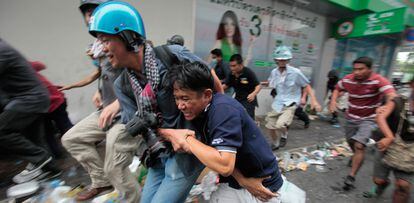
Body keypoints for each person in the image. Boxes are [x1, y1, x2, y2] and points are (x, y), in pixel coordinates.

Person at [87, 2, 223, 202]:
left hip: (188, 151)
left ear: (129, 37)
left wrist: (222, 133)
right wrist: (168, 133)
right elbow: (141, 126)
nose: (102, 49)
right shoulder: (122, 85)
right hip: (159, 153)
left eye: (106, 41)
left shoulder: (172, 55)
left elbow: (213, 85)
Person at [159, 62, 283, 202]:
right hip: (239, 182)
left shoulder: (223, 110)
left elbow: (225, 165)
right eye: (177, 98)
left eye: (185, 98)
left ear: (207, 94)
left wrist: (186, 139)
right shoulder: (198, 112)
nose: (180, 106)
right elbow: (217, 154)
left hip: (262, 187)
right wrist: (242, 180)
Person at [61, 0, 140, 201]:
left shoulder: (129, 41)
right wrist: (95, 91)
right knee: (71, 139)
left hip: (128, 110)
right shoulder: (97, 47)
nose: (89, 17)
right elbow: (103, 73)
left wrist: (119, 102)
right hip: (106, 109)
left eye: (93, 11)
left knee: (114, 165)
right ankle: (101, 181)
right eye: (87, 13)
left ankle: (133, 199)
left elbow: (142, 73)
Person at [329, 56, 397, 190]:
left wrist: (386, 107)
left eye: (361, 69)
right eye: (355, 69)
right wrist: (333, 101)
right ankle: (356, 156)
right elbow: (337, 88)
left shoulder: (378, 80)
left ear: (370, 69)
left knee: (360, 145)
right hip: (350, 118)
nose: (357, 72)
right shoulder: (348, 79)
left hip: (368, 119)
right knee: (353, 145)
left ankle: (351, 176)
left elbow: (392, 95)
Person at [0, 39, 61, 183]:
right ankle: (51, 171)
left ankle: (41, 159)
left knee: (1, 130)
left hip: (29, 99)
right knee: (35, 139)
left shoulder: (1, 50)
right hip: (32, 98)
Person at [363, 77, 413, 203]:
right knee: (378, 180)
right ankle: (383, 184)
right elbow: (380, 117)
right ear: (412, 84)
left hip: (411, 153)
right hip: (388, 146)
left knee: (403, 186)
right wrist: (389, 136)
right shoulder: (399, 101)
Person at [262, 46, 320, 150]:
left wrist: (313, 100)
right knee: (270, 126)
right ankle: (275, 143)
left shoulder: (296, 72)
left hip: (290, 104)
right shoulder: (274, 72)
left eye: (285, 59)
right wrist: (262, 84)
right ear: (276, 60)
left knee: (280, 125)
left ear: (288, 60)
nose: (282, 62)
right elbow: (271, 82)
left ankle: (284, 135)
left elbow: (306, 85)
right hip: (278, 103)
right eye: (280, 60)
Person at [30, 61, 73, 137]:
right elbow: (41, 65)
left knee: (52, 133)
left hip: (48, 104)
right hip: (56, 99)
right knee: (65, 127)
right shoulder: (23, 66)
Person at [223, 54, 261, 119]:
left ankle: (253, 126)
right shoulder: (231, 74)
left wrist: (253, 94)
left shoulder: (248, 72)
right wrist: (214, 90)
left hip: (248, 100)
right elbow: (226, 85)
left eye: (234, 66)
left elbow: (258, 86)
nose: (232, 68)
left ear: (241, 64)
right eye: (231, 66)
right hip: (238, 98)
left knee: (248, 119)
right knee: (233, 115)